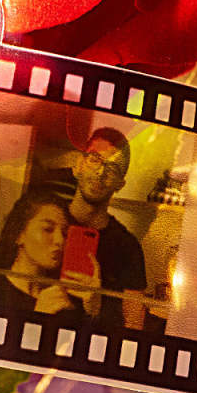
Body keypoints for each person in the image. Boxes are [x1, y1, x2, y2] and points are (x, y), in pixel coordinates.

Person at [0, 190, 99, 321]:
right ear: (19, 234)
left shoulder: (64, 303)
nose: (60, 240)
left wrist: (92, 311)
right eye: (48, 229)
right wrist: (37, 317)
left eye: (65, 233)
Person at [68, 127, 147, 328]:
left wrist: (96, 309)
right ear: (78, 165)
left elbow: (134, 327)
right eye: (95, 159)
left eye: (112, 169)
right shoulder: (43, 221)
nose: (101, 172)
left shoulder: (128, 248)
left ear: (120, 184)